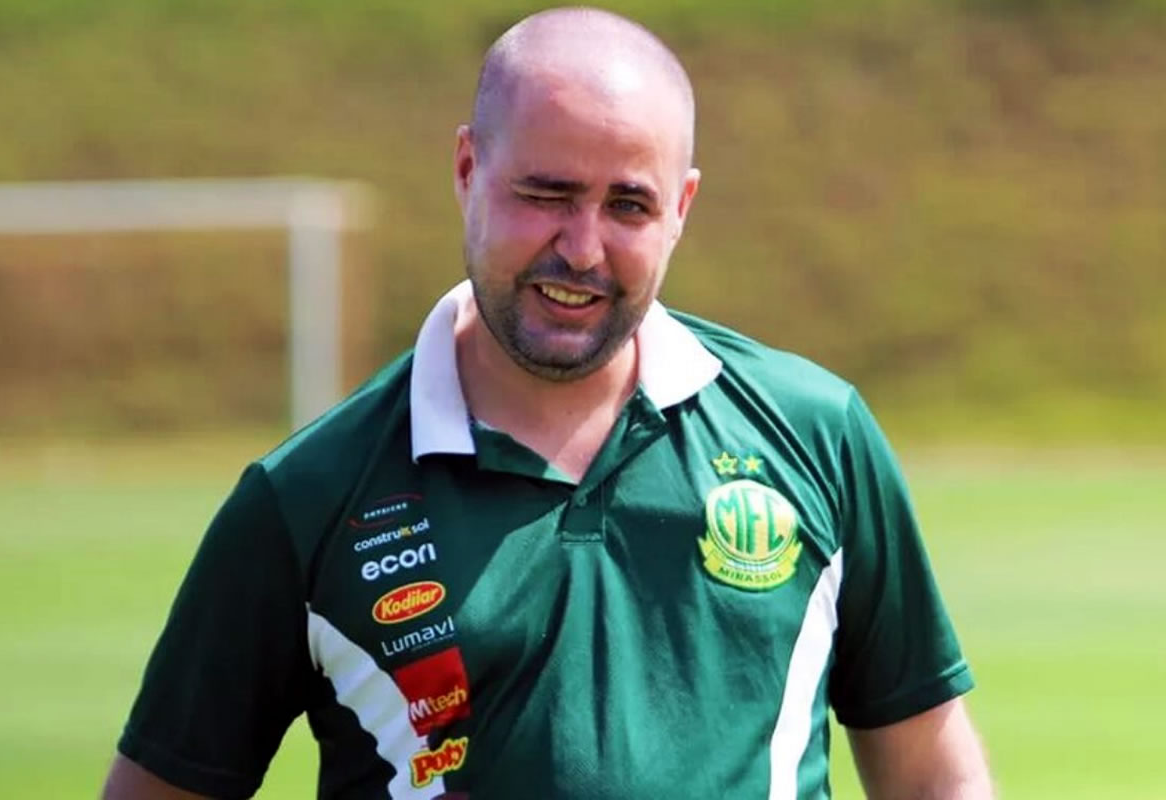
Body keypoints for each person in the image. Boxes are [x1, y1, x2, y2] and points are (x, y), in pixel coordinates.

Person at [102, 7, 993, 799]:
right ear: (467, 168)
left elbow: (932, 773)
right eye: (547, 194)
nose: (583, 248)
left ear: (681, 208)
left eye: (629, 206)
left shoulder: (815, 434)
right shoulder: (306, 498)